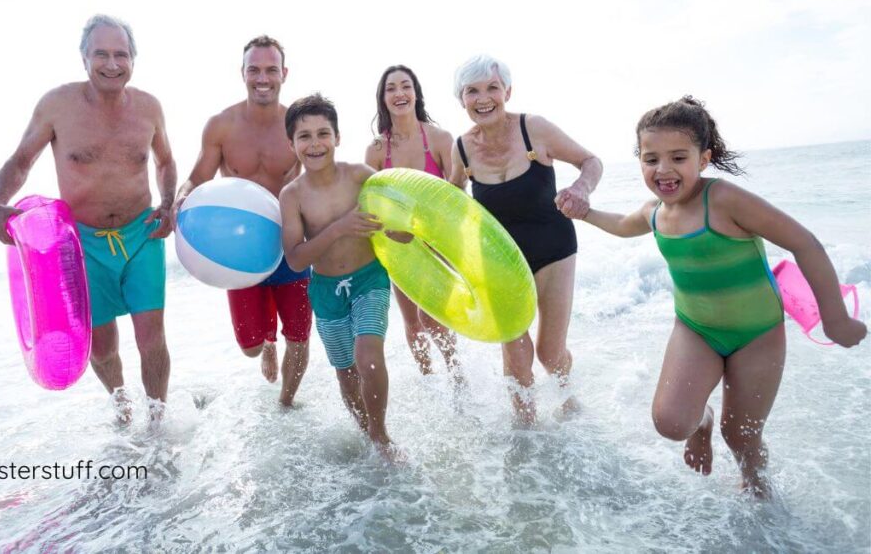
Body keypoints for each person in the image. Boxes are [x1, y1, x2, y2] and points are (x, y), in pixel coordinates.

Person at [582, 95, 866, 497]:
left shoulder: (725, 201)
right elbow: (623, 224)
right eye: (651, 159)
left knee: (742, 436)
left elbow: (806, 244)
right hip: (695, 329)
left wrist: (835, 318)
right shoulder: (654, 212)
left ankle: (757, 494)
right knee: (671, 422)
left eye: (678, 157)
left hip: (758, 335)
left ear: (703, 159)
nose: (663, 169)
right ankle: (702, 422)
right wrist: (585, 213)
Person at [0, 14, 176, 424]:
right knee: (102, 346)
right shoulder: (58, 105)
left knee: (151, 337)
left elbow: (165, 162)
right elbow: (22, 161)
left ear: (133, 59)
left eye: (121, 54)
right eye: (101, 54)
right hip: (84, 243)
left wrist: (168, 203)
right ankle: (123, 408)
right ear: (84, 58)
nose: (112, 64)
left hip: (142, 234)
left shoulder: (148, 107)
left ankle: (158, 423)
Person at [449, 55, 602, 424]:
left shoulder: (535, 129)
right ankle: (527, 433)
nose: (483, 98)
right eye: (472, 91)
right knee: (516, 355)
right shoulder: (463, 148)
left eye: (492, 88)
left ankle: (569, 397)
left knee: (549, 354)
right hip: (499, 259)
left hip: (553, 249)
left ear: (507, 92)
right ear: (462, 99)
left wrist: (581, 189)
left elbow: (590, 161)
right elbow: (451, 202)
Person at [172, 36, 311, 407]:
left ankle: (286, 405)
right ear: (243, 74)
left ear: (284, 73)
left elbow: (318, 176)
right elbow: (198, 176)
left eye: (270, 69)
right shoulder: (221, 126)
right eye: (254, 69)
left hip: (290, 243)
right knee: (249, 347)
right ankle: (266, 342)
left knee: (299, 335)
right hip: (238, 252)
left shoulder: (299, 124)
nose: (262, 78)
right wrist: (181, 196)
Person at [279, 94, 399, 459]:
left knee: (369, 358)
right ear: (292, 144)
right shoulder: (292, 195)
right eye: (304, 137)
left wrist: (406, 234)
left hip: (369, 280)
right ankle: (365, 434)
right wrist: (339, 228)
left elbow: (397, 220)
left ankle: (381, 437)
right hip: (326, 289)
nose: (315, 144)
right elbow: (296, 259)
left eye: (323, 133)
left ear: (337, 137)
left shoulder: (361, 176)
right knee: (346, 371)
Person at [364, 65, 461, 378]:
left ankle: (457, 373)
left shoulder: (439, 138)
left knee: (431, 313)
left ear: (416, 93)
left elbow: (458, 190)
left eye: (405, 86)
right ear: (383, 99)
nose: (399, 93)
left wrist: (432, 228)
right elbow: (369, 204)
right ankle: (428, 380)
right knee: (412, 322)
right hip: (398, 244)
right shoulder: (377, 150)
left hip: (438, 240)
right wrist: (390, 229)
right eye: (391, 88)